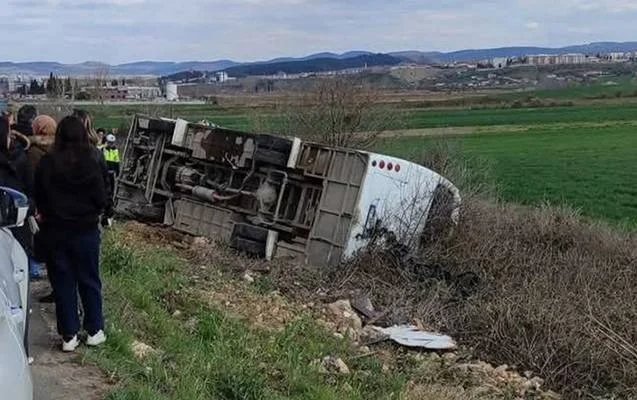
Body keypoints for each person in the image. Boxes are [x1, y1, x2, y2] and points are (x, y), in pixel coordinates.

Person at [34, 116, 108, 352]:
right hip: (85, 231)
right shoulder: (92, 162)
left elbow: (39, 196)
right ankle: (94, 330)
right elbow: (101, 197)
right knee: (89, 279)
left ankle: (69, 335)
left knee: (63, 282)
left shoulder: (47, 163)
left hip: (55, 231)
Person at [28, 115, 58, 299]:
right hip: (60, 208)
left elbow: (32, 182)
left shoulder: (33, 152)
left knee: (49, 252)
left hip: (43, 208)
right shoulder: (61, 149)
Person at [0, 116, 34, 275]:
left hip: (14, 219)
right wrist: (30, 207)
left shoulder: (18, 157)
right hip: (15, 220)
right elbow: (29, 189)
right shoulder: (20, 157)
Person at [103, 134, 120, 199]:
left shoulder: (115, 151)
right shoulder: (103, 149)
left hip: (111, 173)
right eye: (109, 142)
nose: (111, 144)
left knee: (111, 188)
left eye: (112, 143)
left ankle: (110, 201)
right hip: (104, 173)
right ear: (107, 142)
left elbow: (117, 161)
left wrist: (118, 171)